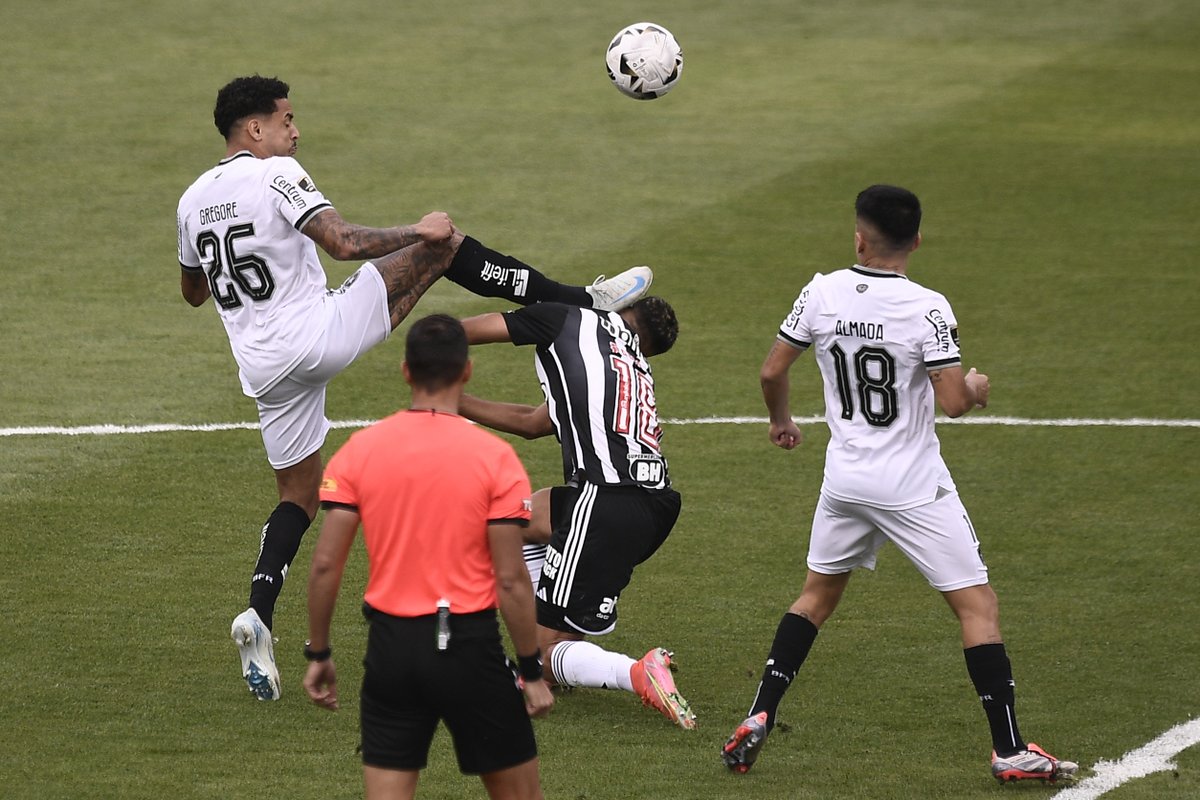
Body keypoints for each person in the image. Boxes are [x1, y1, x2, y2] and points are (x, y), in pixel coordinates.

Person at [175, 74, 652, 700]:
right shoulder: (275, 175)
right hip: (317, 335)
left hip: (262, 367)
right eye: (286, 120)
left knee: (297, 496)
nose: (295, 131)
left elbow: (192, 291)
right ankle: (584, 303)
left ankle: (257, 611)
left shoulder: (191, 200)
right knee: (443, 247)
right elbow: (344, 242)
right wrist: (415, 231)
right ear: (254, 128)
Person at [720, 185, 1078, 784]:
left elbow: (771, 369)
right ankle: (1009, 749)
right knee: (977, 607)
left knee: (814, 597)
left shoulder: (821, 291)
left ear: (859, 238)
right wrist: (978, 388)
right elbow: (953, 402)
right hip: (912, 487)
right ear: (916, 240)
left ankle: (759, 712)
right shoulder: (928, 307)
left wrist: (781, 421)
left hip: (845, 480)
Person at [303, 314, 553, 800]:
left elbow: (326, 565)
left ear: (405, 372)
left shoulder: (360, 451)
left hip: (392, 650)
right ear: (467, 372)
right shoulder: (495, 457)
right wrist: (530, 671)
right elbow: (511, 581)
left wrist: (319, 653)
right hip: (470, 648)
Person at [457, 296, 697, 730]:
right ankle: (557, 631)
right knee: (513, 521)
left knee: (544, 657)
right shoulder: (628, 364)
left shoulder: (566, 319)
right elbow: (535, 422)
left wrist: (430, 353)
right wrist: (457, 403)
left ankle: (635, 671)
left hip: (604, 500)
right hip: (651, 505)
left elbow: (459, 333)